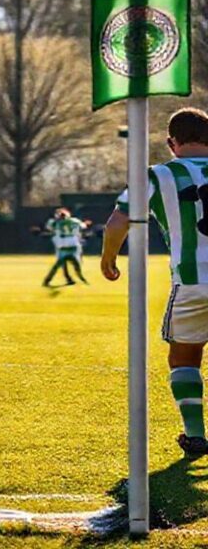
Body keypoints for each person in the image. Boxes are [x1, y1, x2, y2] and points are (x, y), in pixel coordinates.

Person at [102, 107, 208, 459]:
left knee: (185, 357)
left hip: (192, 281)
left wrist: (108, 259)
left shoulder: (156, 175)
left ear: (171, 143)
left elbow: (118, 222)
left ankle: (195, 435)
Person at [42, 208, 90, 287]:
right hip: (73, 245)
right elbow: (83, 226)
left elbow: (49, 227)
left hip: (62, 246)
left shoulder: (54, 222)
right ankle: (78, 279)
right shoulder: (74, 221)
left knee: (59, 265)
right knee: (75, 265)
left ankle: (48, 280)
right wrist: (85, 224)